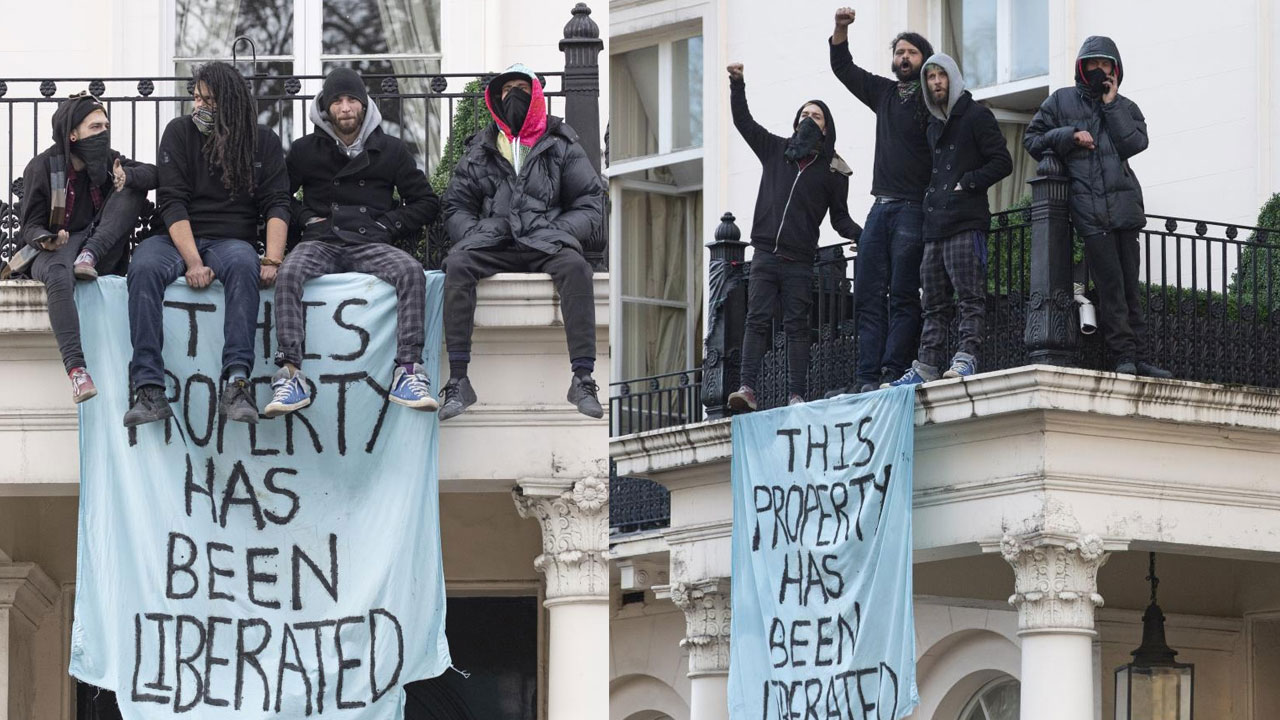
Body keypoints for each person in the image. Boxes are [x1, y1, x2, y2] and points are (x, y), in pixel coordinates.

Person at [123, 61, 291, 427]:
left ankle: (237, 383)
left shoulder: (263, 142)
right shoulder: (179, 133)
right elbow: (173, 200)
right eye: (196, 97)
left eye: (209, 100)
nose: (199, 106)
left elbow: (278, 202)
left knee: (245, 264)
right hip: (176, 237)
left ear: (229, 103)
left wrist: (273, 260)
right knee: (144, 267)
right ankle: (149, 388)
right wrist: (194, 262)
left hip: (232, 239)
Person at [264, 67, 440, 417]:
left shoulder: (390, 149)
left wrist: (387, 224)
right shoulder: (303, 150)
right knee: (290, 272)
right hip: (321, 240)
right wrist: (304, 219)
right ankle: (290, 374)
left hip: (370, 241)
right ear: (326, 108)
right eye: (337, 101)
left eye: (352, 100)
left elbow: (426, 201)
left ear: (364, 104)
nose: (345, 108)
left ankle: (408, 371)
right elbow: (278, 196)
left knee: (410, 271)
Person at [440, 63, 605, 420]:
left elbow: (591, 202)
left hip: (544, 243)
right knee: (457, 266)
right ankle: (458, 381)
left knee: (576, 268)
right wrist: (475, 235)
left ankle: (582, 377)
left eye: (521, 88)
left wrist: (557, 232)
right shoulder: (480, 149)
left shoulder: (561, 144)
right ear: (494, 100)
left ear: (536, 96)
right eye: (505, 90)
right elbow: (455, 205)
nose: (512, 95)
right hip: (495, 243)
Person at [1024, 36, 1170, 379]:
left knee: (1130, 288)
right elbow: (1032, 139)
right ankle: (1123, 358)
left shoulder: (1125, 105)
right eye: (1094, 64)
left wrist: (1112, 103)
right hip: (1089, 211)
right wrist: (1071, 135)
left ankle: (1139, 357)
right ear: (1082, 67)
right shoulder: (1060, 101)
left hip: (1124, 208)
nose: (1100, 70)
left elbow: (1134, 143)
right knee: (1110, 288)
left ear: (1115, 70)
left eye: (1106, 65)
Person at [723, 62, 861, 411]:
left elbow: (840, 218)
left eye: (816, 116)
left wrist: (865, 235)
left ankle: (796, 394)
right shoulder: (775, 150)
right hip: (766, 255)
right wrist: (737, 84)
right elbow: (744, 122)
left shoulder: (833, 171)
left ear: (826, 128)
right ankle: (747, 389)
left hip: (800, 260)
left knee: (797, 327)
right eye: (803, 114)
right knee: (756, 320)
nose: (808, 119)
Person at [4, 92, 156, 403]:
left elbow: (156, 174)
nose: (104, 133)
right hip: (53, 249)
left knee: (131, 187)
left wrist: (128, 175)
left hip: (97, 248)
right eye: (95, 127)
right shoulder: (42, 167)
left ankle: (91, 253)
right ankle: (77, 372)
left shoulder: (109, 160)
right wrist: (47, 238)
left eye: (106, 126)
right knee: (59, 277)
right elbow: (30, 225)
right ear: (73, 134)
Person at [885, 53, 1011, 387]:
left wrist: (966, 183)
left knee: (969, 297)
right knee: (933, 304)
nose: (936, 82)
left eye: (941, 75)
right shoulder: (931, 124)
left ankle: (966, 357)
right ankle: (926, 364)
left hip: (966, 221)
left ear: (953, 78)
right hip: (934, 225)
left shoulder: (976, 115)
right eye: (931, 77)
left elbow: (1003, 161)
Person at [828, 6, 935, 394]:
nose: (903, 57)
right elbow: (844, 67)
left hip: (912, 207)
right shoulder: (884, 93)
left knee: (904, 293)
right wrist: (841, 28)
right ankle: (866, 377)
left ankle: (892, 371)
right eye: (899, 52)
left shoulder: (932, 99)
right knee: (868, 294)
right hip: (881, 206)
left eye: (911, 52)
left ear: (925, 61)